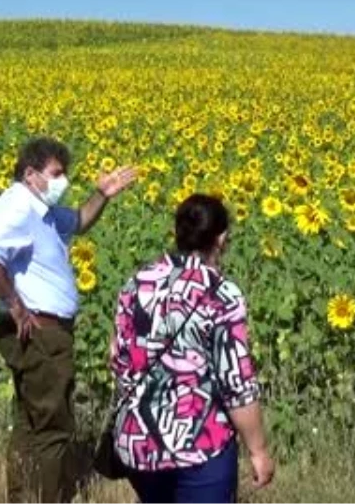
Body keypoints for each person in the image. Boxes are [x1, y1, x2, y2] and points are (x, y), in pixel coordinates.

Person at [0, 136, 138, 504]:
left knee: (32, 423)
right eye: (56, 174)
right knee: (53, 428)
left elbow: (78, 221)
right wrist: (14, 303)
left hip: (43, 331)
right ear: (31, 174)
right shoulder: (19, 206)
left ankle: (24, 497)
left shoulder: (40, 208)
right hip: (40, 331)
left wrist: (103, 195)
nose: (64, 181)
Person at [108, 193, 274, 503]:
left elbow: (118, 358)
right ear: (221, 238)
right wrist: (258, 450)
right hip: (198, 444)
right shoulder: (222, 294)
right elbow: (236, 382)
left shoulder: (137, 282)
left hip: (138, 443)